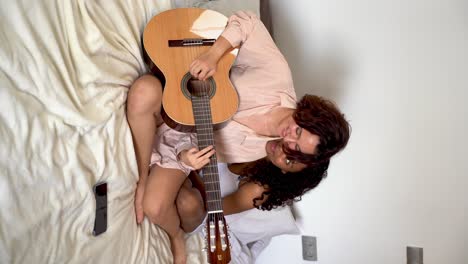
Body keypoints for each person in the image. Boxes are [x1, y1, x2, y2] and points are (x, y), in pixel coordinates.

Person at [126, 11, 350, 264]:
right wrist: (213, 55)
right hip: (171, 102)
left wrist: (187, 163)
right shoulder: (277, 75)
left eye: (295, 149)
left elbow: (208, 164)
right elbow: (247, 22)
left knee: (157, 207)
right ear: (307, 112)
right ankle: (142, 177)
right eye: (298, 130)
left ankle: (176, 236)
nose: (287, 139)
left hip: (182, 141)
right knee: (144, 91)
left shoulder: (264, 151)